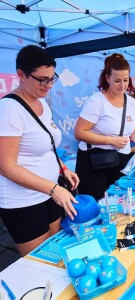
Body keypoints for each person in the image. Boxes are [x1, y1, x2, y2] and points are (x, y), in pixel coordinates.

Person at [0, 45, 79, 256]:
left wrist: (63, 169)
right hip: (23, 200)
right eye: (42, 79)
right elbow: (6, 167)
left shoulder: (42, 103)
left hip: (49, 192)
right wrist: (53, 188)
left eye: (52, 78)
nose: (49, 85)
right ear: (21, 75)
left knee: (55, 250)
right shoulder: (9, 109)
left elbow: (47, 147)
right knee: (39, 262)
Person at [74, 53, 135, 200]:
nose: (122, 85)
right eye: (117, 81)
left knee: (121, 201)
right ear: (107, 78)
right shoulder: (96, 101)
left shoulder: (131, 103)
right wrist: (111, 140)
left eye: (125, 80)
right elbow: (79, 132)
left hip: (121, 160)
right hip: (94, 161)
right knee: (95, 203)